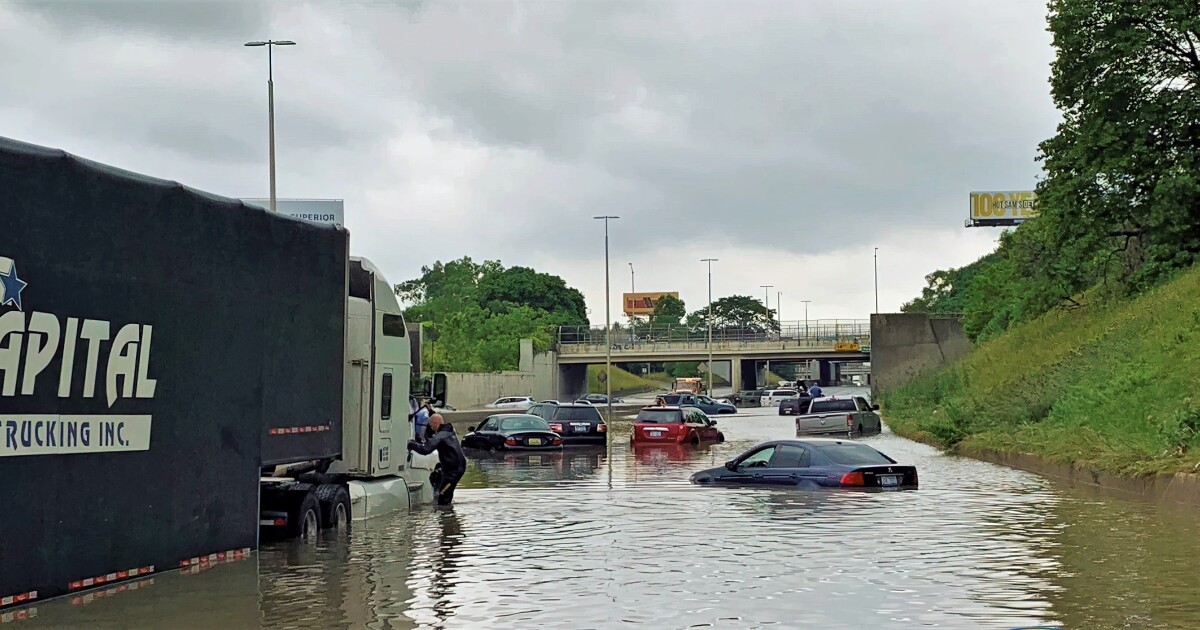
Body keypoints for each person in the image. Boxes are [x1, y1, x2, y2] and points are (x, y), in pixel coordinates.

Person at [407, 414, 466, 506]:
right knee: (442, 486)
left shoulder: (441, 436)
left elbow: (425, 449)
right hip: (457, 468)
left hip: (452, 472)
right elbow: (430, 442)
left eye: (430, 425)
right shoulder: (449, 431)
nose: (430, 427)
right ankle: (448, 510)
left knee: (442, 497)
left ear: (435, 423)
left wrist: (410, 444)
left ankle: (445, 513)